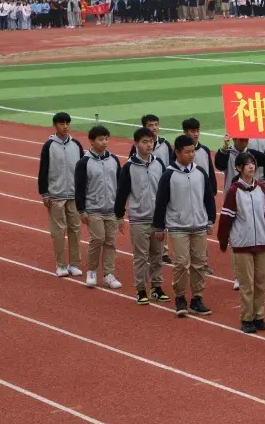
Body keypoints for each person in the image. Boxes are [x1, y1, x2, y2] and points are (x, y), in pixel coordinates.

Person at [153, 135, 217, 317]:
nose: (191, 155)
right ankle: (180, 297)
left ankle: (197, 298)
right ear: (178, 152)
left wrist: (210, 220)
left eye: (193, 151)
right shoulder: (168, 175)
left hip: (199, 225)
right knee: (181, 263)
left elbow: (208, 198)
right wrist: (159, 227)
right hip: (178, 226)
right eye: (187, 152)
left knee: (199, 264)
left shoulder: (200, 173)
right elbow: (161, 202)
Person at [216, 152, 265, 333]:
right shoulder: (234, 191)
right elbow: (226, 218)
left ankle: (259, 316)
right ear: (239, 168)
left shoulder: (261, 189)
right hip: (242, 244)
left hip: (261, 242)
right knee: (247, 284)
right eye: (247, 164)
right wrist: (223, 240)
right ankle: (247, 318)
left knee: (261, 282)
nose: (251, 166)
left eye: (253, 163)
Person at [115, 126, 168, 304]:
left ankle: (156, 287)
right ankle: (140, 289)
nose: (149, 145)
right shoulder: (129, 167)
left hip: (158, 220)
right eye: (145, 142)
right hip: (139, 220)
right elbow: (121, 193)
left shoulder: (159, 164)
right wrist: (119, 216)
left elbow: (165, 192)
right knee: (141, 257)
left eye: (151, 141)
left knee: (157, 256)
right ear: (136, 143)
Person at [74, 125, 122, 289]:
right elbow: (79, 188)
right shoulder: (84, 162)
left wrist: (120, 211)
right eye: (101, 139)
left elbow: (120, 185)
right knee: (98, 239)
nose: (104, 142)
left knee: (110, 242)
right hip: (93, 209)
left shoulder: (114, 160)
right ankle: (92, 271)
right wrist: (81, 210)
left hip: (112, 210)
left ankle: (108, 274)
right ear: (91, 141)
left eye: (106, 139)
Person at [39, 112, 85, 277]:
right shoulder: (49, 146)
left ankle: (74, 264)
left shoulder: (76, 145)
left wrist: (83, 193)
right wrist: (45, 193)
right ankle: (60, 265)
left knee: (75, 230)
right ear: (55, 125)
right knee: (58, 231)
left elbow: (82, 171)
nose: (65, 127)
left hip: (73, 196)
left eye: (67, 123)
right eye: (61, 124)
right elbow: (43, 170)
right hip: (56, 195)